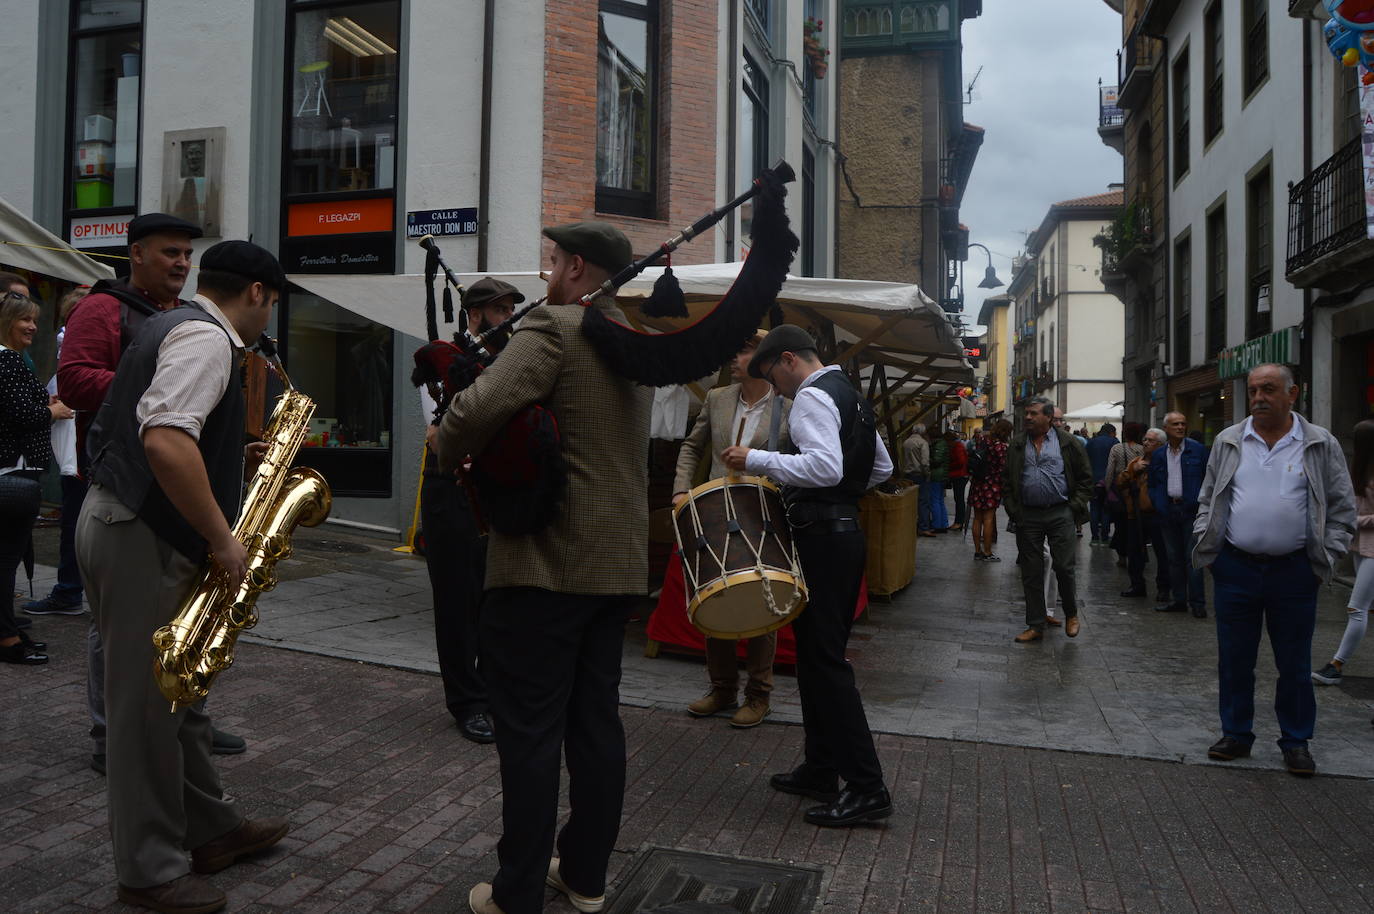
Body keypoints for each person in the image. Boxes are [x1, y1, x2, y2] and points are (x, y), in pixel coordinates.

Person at [438, 221, 650, 914]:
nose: (545, 272)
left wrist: (447, 444)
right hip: (615, 563)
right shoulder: (630, 339)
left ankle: (516, 892)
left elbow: (475, 410)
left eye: (553, 261)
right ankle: (586, 878)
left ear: (578, 267)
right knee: (596, 725)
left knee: (529, 734)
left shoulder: (556, 327)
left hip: (544, 563)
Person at [76, 241, 291, 912]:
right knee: (144, 711)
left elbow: (174, 429)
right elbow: (166, 438)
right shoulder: (205, 339)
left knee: (180, 693)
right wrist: (223, 541)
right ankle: (148, 874)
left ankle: (213, 830)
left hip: (132, 522)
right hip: (142, 534)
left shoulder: (178, 328)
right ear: (256, 292)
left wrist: (234, 451)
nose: (269, 316)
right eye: (274, 302)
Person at [58, 213, 244, 773]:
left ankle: (186, 723)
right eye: (170, 253)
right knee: (113, 626)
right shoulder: (102, 307)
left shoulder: (182, 318)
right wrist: (159, 380)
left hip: (175, 494)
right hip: (129, 487)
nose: (181, 264)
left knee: (187, 617)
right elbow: (72, 380)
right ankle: (108, 737)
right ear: (135, 254)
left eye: (187, 255)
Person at [721, 323, 894, 829]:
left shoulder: (814, 396)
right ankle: (821, 768)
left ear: (789, 360)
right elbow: (879, 468)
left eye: (773, 376)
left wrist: (756, 458)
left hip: (821, 539)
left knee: (826, 664)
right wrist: (842, 496)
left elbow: (824, 467)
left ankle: (866, 786)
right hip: (841, 536)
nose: (775, 388)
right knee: (819, 661)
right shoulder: (851, 395)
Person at [1193, 363, 1356, 777]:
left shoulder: (1319, 443)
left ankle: (1296, 740)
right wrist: (1212, 554)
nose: (1259, 398)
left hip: (1295, 573)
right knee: (1234, 659)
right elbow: (1209, 498)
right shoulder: (1231, 440)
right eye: (1253, 390)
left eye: (1268, 389)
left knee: (1295, 663)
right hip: (1236, 568)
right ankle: (1236, 734)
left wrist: (1326, 558)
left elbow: (1341, 508)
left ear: (1292, 393)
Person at [419, 277, 524, 745]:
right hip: (451, 488)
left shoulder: (512, 362)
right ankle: (466, 702)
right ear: (475, 314)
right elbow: (440, 428)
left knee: (495, 599)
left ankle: (495, 690)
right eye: (499, 311)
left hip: (495, 488)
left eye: (509, 310)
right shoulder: (441, 358)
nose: (507, 319)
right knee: (458, 601)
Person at [671, 329, 791, 729]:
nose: (733, 357)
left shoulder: (788, 406)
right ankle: (721, 688)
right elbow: (691, 446)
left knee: (760, 599)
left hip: (762, 514)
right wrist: (681, 490)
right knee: (714, 596)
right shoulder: (717, 398)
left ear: (763, 358)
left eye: (742, 350)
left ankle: (759, 695)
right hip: (714, 511)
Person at [0, 290, 72, 664]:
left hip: (12, 472)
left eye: (35, 321)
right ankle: (7, 639)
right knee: (5, 562)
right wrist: (54, 412)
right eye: (24, 319)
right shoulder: (9, 362)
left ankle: (9, 631)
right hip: (14, 473)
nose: (32, 327)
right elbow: (22, 416)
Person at [1002, 396, 1092, 642]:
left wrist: (1074, 507)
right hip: (1028, 514)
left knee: (1063, 566)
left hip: (1060, 511)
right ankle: (1035, 624)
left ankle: (1071, 613)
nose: (1028, 417)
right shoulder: (1018, 444)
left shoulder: (1068, 443)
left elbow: (1086, 479)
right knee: (1031, 571)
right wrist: (1014, 510)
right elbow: (1007, 480)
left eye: (1033, 413)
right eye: (1027, 414)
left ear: (1049, 417)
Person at [22, 288, 89, 621]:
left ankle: (69, 590)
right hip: (77, 451)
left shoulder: (75, 350)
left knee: (77, 521)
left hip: (81, 452)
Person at [1313, 418, 1374, 687]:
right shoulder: (1359, 470)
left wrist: (1353, 520)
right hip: (1361, 547)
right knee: (1362, 608)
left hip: (1370, 549)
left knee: (1356, 608)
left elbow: (1358, 514)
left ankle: (1336, 665)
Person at [1149, 411, 1208, 618]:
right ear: (1166, 428)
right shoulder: (1158, 454)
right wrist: (1158, 503)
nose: (1180, 427)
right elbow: (1154, 484)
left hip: (1190, 511)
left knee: (1192, 558)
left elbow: (1207, 479)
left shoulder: (1198, 451)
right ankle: (1179, 599)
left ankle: (1198, 603)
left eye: (1183, 423)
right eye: (1175, 424)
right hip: (1167, 511)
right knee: (1172, 558)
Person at [1117, 427, 1166, 598]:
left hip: (1157, 515)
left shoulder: (1164, 463)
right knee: (1134, 552)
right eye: (1145, 439)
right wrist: (1132, 471)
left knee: (1162, 553)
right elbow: (1120, 483)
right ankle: (1137, 585)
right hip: (1135, 514)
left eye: (1150, 441)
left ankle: (1163, 588)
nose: (1145, 443)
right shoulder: (1135, 461)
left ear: (1160, 445)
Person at [970, 419, 1010, 561]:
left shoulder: (984, 441)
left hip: (977, 483)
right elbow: (1003, 469)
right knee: (988, 519)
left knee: (977, 518)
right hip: (991, 486)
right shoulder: (1001, 447)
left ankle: (977, 551)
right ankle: (987, 552)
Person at [1084, 423, 1118, 545]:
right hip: (1109, 481)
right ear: (1111, 432)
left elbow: (1085, 461)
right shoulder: (1114, 442)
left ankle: (1094, 538)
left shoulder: (1091, 442)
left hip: (1093, 481)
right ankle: (1104, 537)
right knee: (1106, 509)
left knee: (1094, 508)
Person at [904, 424, 934, 537]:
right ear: (923, 432)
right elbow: (925, 462)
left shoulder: (906, 442)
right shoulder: (923, 443)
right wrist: (928, 474)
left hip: (908, 474)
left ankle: (910, 525)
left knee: (910, 501)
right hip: (920, 475)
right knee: (923, 501)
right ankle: (923, 527)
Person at [946, 429, 968, 531]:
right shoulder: (957, 446)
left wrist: (949, 466)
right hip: (959, 475)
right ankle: (959, 522)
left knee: (959, 499)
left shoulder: (957, 447)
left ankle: (959, 522)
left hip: (960, 475)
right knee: (958, 499)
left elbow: (961, 461)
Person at [928, 428, 950, 531]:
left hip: (937, 475)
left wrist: (926, 459)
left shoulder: (939, 445)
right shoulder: (942, 443)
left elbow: (937, 460)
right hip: (942, 475)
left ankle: (937, 524)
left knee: (935, 500)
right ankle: (943, 524)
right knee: (940, 500)